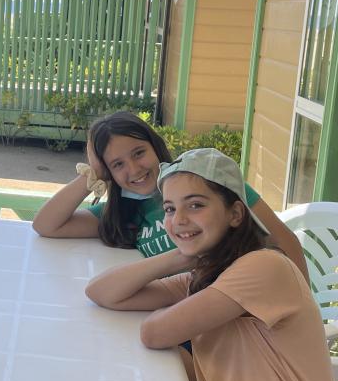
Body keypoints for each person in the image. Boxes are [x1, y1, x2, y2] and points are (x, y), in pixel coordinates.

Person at [85, 149, 338, 381]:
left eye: (195, 206)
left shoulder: (263, 268)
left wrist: (185, 253)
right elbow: (102, 292)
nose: (179, 219)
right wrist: (181, 253)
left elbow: (154, 333)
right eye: (170, 209)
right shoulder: (208, 277)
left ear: (235, 214)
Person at [32, 111, 306, 280]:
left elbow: (284, 242)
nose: (134, 169)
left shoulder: (212, 185)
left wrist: (303, 309)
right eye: (117, 164)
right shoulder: (123, 215)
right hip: (175, 309)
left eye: (139, 153)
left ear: (155, 147)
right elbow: (46, 225)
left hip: (233, 311)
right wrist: (93, 174)